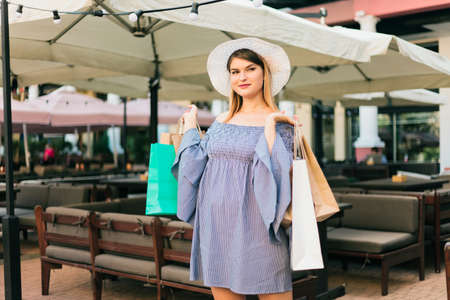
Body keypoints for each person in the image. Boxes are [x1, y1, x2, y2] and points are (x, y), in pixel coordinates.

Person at [172, 38, 295, 300]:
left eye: (250, 69)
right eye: (235, 71)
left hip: (261, 226)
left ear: (265, 73)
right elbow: (196, 167)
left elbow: (280, 177)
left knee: (273, 284)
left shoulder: (281, 122)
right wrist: (192, 127)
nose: (242, 77)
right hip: (216, 224)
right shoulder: (220, 120)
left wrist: (272, 124)